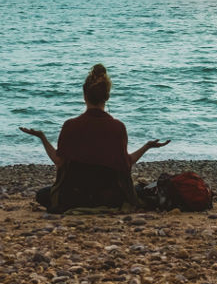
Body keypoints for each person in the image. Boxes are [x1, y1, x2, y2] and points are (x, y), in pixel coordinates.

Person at [20, 64, 170, 213]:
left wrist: (42, 138)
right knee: (139, 189)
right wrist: (146, 146)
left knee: (43, 195)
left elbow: (59, 163)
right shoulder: (118, 127)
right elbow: (126, 164)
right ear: (107, 96)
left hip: (74, 196)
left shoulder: (70, 125)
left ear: (84, 95)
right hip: (108, 197)